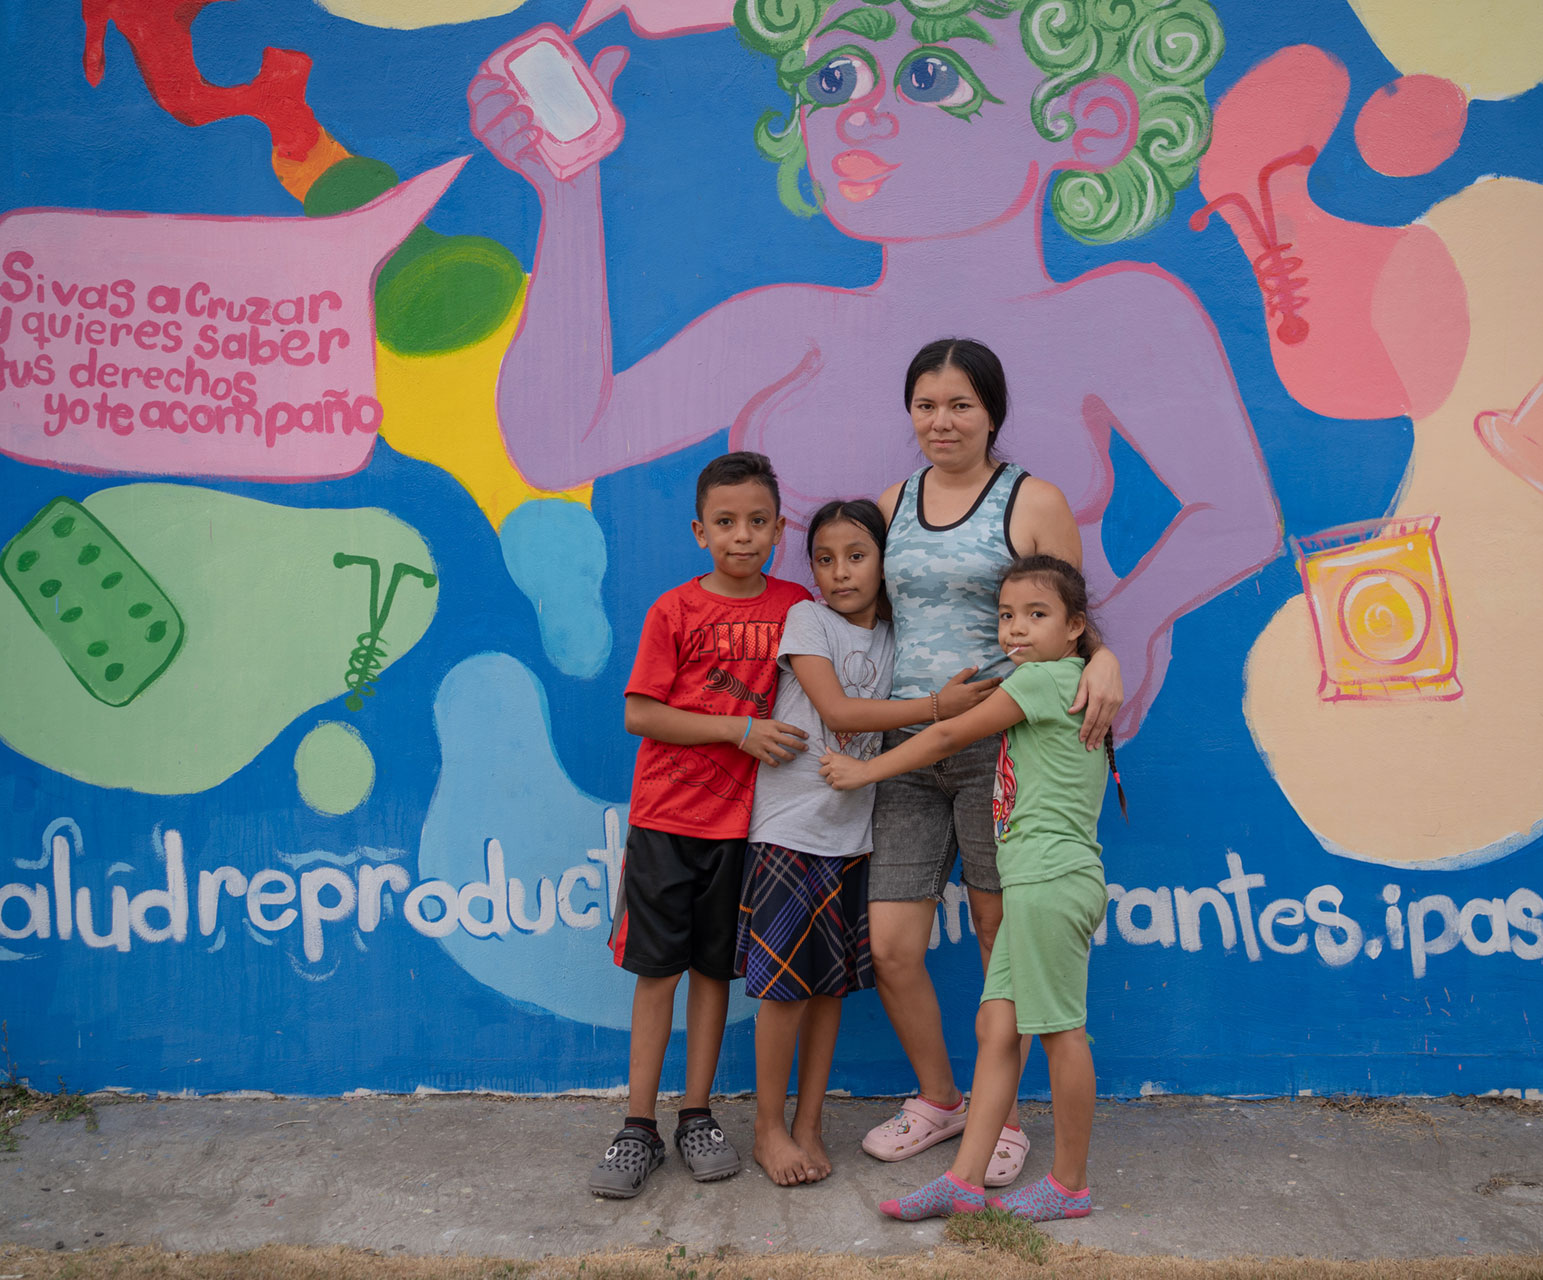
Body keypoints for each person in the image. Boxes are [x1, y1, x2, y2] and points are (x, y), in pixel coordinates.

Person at [468, 0, 1282, 741]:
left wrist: (1126, 629)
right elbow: (561, 444)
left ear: (1084, 120)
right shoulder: (788, 329)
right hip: (820, 742)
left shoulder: (1123, 317)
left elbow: (1237, 513)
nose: (862, 113)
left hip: (1020, 729)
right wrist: (568, 192)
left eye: (931, 75)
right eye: (835, 77)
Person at [856, 338, 1117, 1189]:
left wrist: (1106, 664)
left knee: (1003, 945)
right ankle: (944, 1102)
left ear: (993, 412)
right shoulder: (893, 502)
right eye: (926, 405)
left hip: (997, 753)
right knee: (893, 943)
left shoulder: (1032, 499)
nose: (942, 421)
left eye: (961, 405)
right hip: (908, 746)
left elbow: (1071, 618)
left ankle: (1001, 1122)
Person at [822, 555, 1114, 1222]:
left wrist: (865, 774)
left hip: (1049, 880)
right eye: (1006, 616)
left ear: (1075, 629)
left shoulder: (1046, 680)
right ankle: (964, 1180)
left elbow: (950, 733)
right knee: (997, 1026)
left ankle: (1070, 1186)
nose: (1015, 629)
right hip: (1036, 879)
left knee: (1063, 1033)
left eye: (1036, 616)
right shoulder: (1049, 676)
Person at [737, 499, 995, 1186]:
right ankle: (768, 1127)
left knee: (827, 992)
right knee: (783, 993)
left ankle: (809, 1124)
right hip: (790, 833)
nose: (839, 573)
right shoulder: (808, 620)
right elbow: (842, 712)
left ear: (885, 562)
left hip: (852, 838)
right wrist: (939, 706)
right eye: (824, 559)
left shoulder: (894, 635)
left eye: (857, 556)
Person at [590, 451, 812, 1199]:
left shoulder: (795, 609)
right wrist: (738, 731)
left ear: (780, 528)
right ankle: (637, 1127)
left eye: (757, 522)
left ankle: (696, 1115)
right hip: (667, 819)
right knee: (659, 973)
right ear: (699, 530)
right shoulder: (673, 612)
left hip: (743, 828)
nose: (742, 536)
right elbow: (639, 713)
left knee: (715, 972)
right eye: (725, 522)